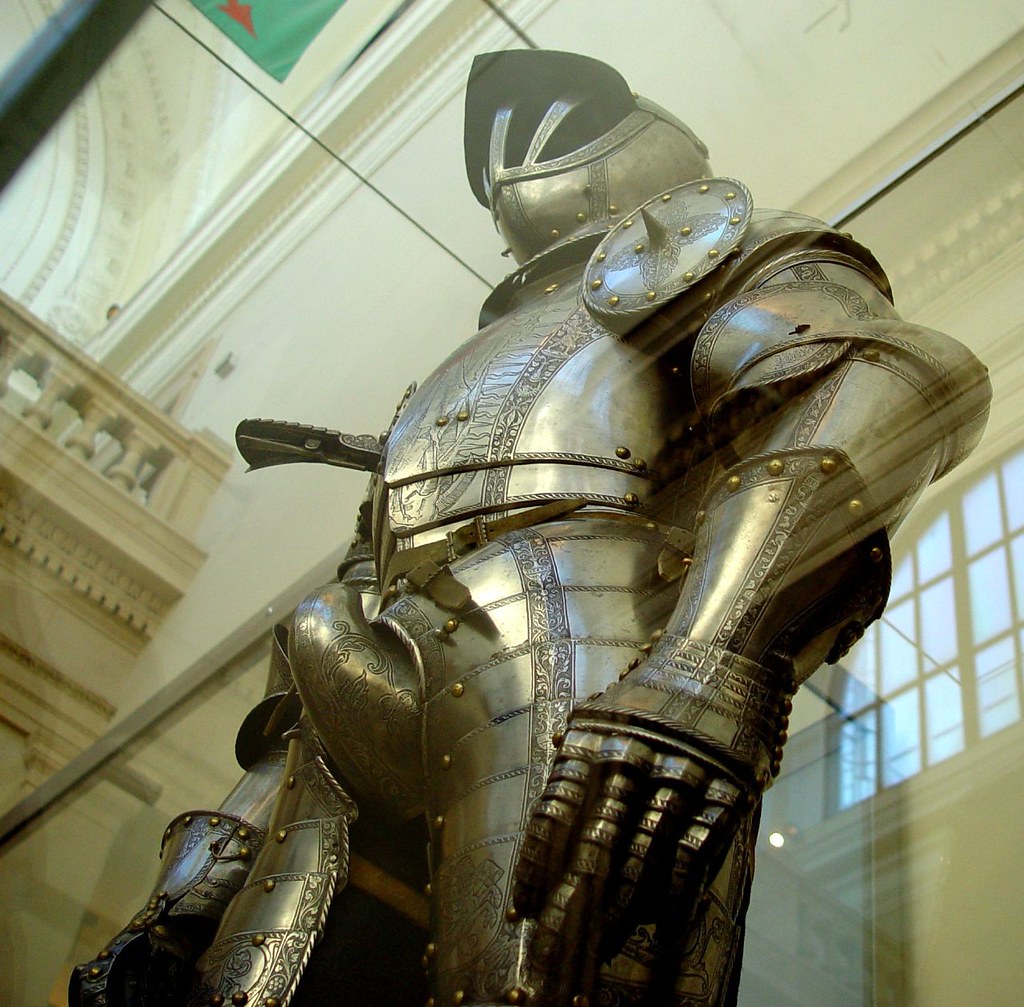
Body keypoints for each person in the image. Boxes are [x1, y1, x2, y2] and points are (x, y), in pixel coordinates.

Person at [71, 49, 990, 1007]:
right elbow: (352, 601)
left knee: (547, 982)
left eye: (572, 120)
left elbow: (879, 378)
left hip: (579, 635)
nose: (518, 152)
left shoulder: (701, 248)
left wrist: (704, 667)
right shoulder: (456, 370)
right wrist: (201, 874)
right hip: (355, 681)